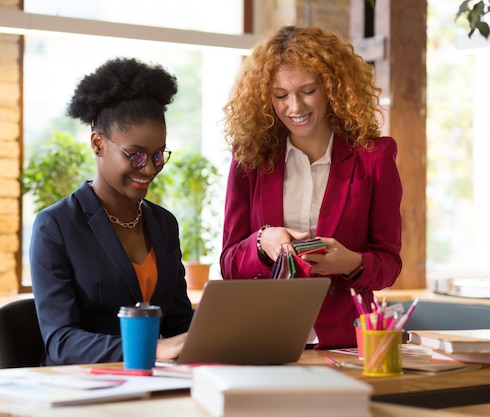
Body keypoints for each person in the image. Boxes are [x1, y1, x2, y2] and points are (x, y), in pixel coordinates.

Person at [220, 25, 403, 349]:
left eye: (307, 91)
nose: (295, 107)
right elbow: (229, 264)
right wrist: (262, 242)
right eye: (280, 95)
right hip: (264, 335)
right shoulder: (250, 157)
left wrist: (353, 263)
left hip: (345, 341)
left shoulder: (374, 157)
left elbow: (389, 265)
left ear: (333, 88)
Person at [30, 57, 193, 366]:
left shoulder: (163, 223)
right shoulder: (56, 225)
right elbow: (61, 341)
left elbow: (178, 320)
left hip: (153, 382)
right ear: (98, 144)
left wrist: (216, 337)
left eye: (158, 156)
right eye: (135, 155)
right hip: (83, 388)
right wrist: (151, 349)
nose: (148, 168)